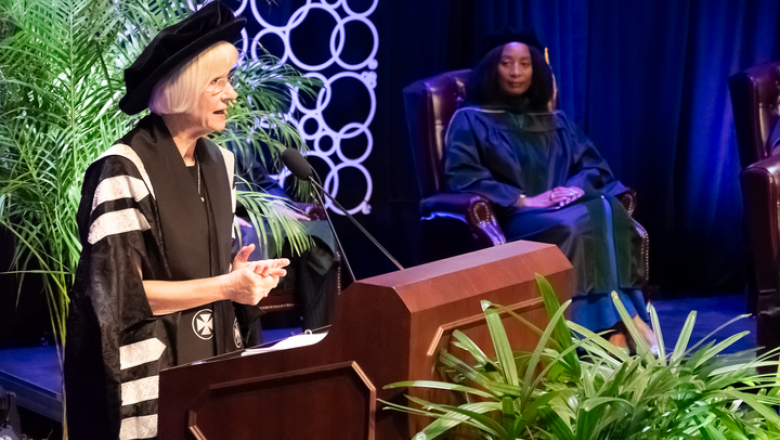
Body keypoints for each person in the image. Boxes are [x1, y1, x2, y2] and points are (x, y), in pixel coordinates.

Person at [64, 3, 288, 439]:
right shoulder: (124, 169)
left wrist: (237, 276)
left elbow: (190, 274)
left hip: (214, 369)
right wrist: (225, 287)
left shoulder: (219, 162)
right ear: (183, 90)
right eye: (217, 83)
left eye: (230, 81)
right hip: (151, 381)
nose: (232, 95)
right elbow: (119, 297)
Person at [444, 27, 657, 350]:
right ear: (492, 68)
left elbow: (594, 166)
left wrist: (571, 189)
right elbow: (462, 175)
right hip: (518, 218)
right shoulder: (471, 119)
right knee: (576, 223)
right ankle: (616, 329)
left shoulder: (555, 119)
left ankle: (616, 328)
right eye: (506, 63)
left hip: (568, 209)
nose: (516, 72)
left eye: (525, 64)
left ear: (536, 69)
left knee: (607, 207)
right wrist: (524, 200)